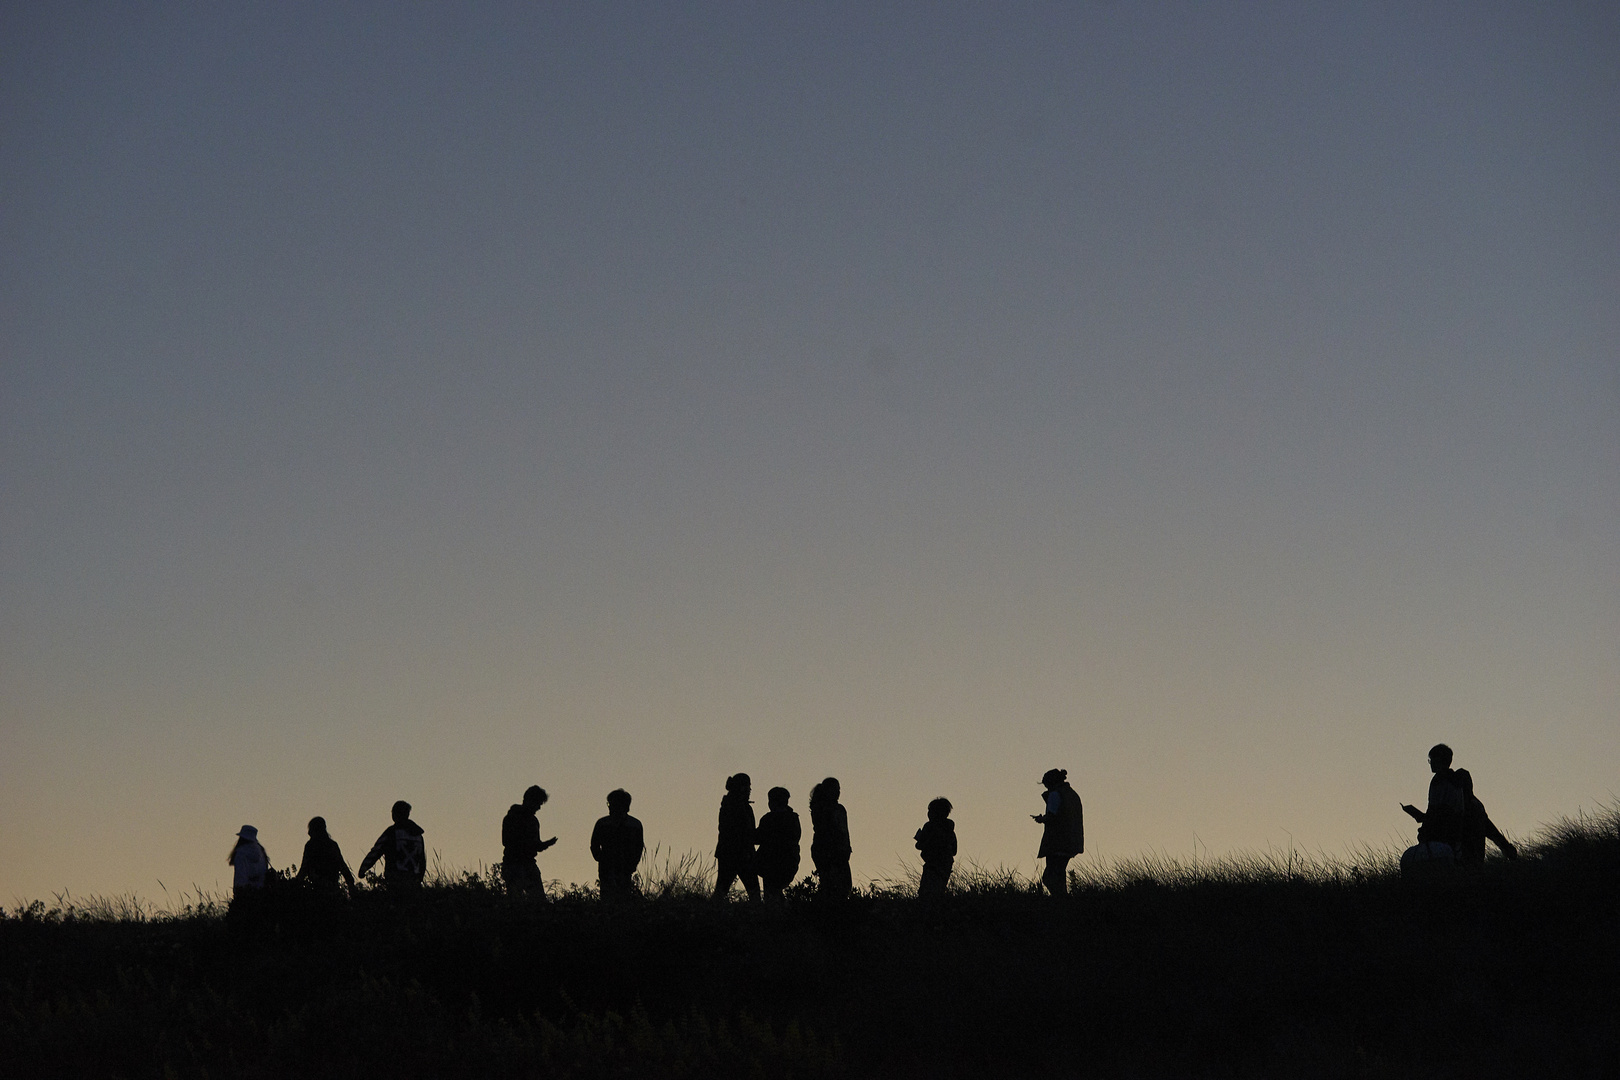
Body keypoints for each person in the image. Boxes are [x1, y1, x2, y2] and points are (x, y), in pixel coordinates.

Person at [1401, 744, 1465, 860]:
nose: (1430, 763)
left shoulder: (1439, 780)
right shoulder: (1455, 781)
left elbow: (1439, 812)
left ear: (1439, 760)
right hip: (1455, 836)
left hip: (1442, 836)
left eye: (1432, 759)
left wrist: (1423, 819)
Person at [1032, 768, 1084, 897]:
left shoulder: (1055, 794)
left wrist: (1041, 819)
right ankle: (1062, 902)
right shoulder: (1072, 794)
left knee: (1049, 877)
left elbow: (1053, 816)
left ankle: (1060, 901)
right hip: (1071, 840)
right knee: (1059, 874)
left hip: (1057, 842)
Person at [1453, 767, 1518, 866]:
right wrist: (1505, 846)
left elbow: (1489, 828)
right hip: (1471, 858)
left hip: (1466, 858)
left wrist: (1505, 846)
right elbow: (1490, 829)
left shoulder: (1469, 805)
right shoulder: (1474, 805)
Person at [357, 800, 427, 888]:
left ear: (395, 814)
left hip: (395, 884)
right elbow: (422, 860)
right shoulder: (418, 836)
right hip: (414, 884)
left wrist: (363, 869)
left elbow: (376, 852)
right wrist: (419, 879)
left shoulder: (391, 832)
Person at [590, 788, 645, 900]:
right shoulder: (634, 824)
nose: (609, 806)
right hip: (610, 866)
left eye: (611, 804)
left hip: (624, 866)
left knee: (619, 895)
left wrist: (633, 863)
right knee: (611, 895)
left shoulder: (604, 823)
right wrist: (600, 858)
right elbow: (594, 844)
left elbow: (639, 846)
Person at [502, 785, 558, 896]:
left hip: (528, 864)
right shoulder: (512, 817)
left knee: (537, 901)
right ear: (530, 800)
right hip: (514, 864)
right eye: (538, 803)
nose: (539, 807)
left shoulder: (533, 821)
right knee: (516, 901)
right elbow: (507, 841)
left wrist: (545, 844)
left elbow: (536, 845)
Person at [714, 773, 761, 901]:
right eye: (748, 786)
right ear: (741, 787)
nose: (750, 790)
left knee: (721, 890)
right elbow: (738, 833)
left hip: (732, 854)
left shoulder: (732, 805)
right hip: (737, 855)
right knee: (753, 892)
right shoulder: (734, 807)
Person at [809, 777, 852, 900]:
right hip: (828, 851)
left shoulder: (836, 809)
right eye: (835, 789)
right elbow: (833, 831)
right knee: (834, 886)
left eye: (839, 789)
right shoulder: (823, 809)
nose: (838, 792)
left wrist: (846, 848)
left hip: (838, 851)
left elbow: (844, 831)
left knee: (840, 886)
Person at [756, 786, 801, 902]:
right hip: (788, 862)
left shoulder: (768, 819)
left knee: (771, 894)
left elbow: (758, 837)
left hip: (771, 864)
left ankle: (775, 915)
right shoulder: (793, 818)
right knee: (775, 892)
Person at [293, 817, 356, 894]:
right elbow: (342, 865)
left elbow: (304, 868)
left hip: (320, 889)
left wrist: (295, 884)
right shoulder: (332, 845)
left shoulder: (311, 846)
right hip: (330, 888)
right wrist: (350, 883)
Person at [914, 797, 957, 901]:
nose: (928, 813)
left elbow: (919, 845)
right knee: (939, 891)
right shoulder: (950, 830)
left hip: (932, 865)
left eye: (930, 811)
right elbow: (954, 851)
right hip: (946, 865)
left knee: (925, 892)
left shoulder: (929, 826)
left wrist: (921, 840)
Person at [227, 825, 271, 896]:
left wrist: (238, 894)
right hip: (262, 893)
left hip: (246, 894)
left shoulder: (241, 853)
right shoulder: (261, 852)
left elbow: (240, 876)